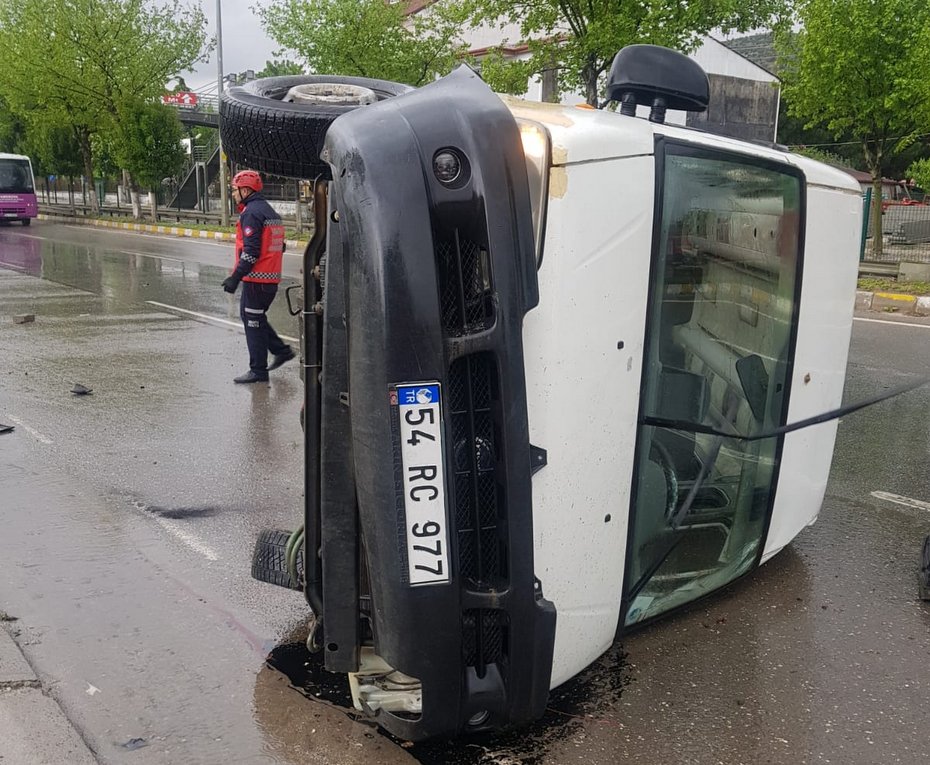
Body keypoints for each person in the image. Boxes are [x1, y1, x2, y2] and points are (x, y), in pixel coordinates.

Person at [222, 170, 295, 384]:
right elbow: (278, 246)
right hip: (268, 278)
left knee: (252, 320)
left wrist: (235, 277)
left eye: (235, 190)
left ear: (245, 190)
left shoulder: (251, 213)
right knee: (253, 317)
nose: (233, 194)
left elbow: (251, 251)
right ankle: (281, 351)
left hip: (257, 279)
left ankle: (258, 371)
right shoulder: (269, 211)